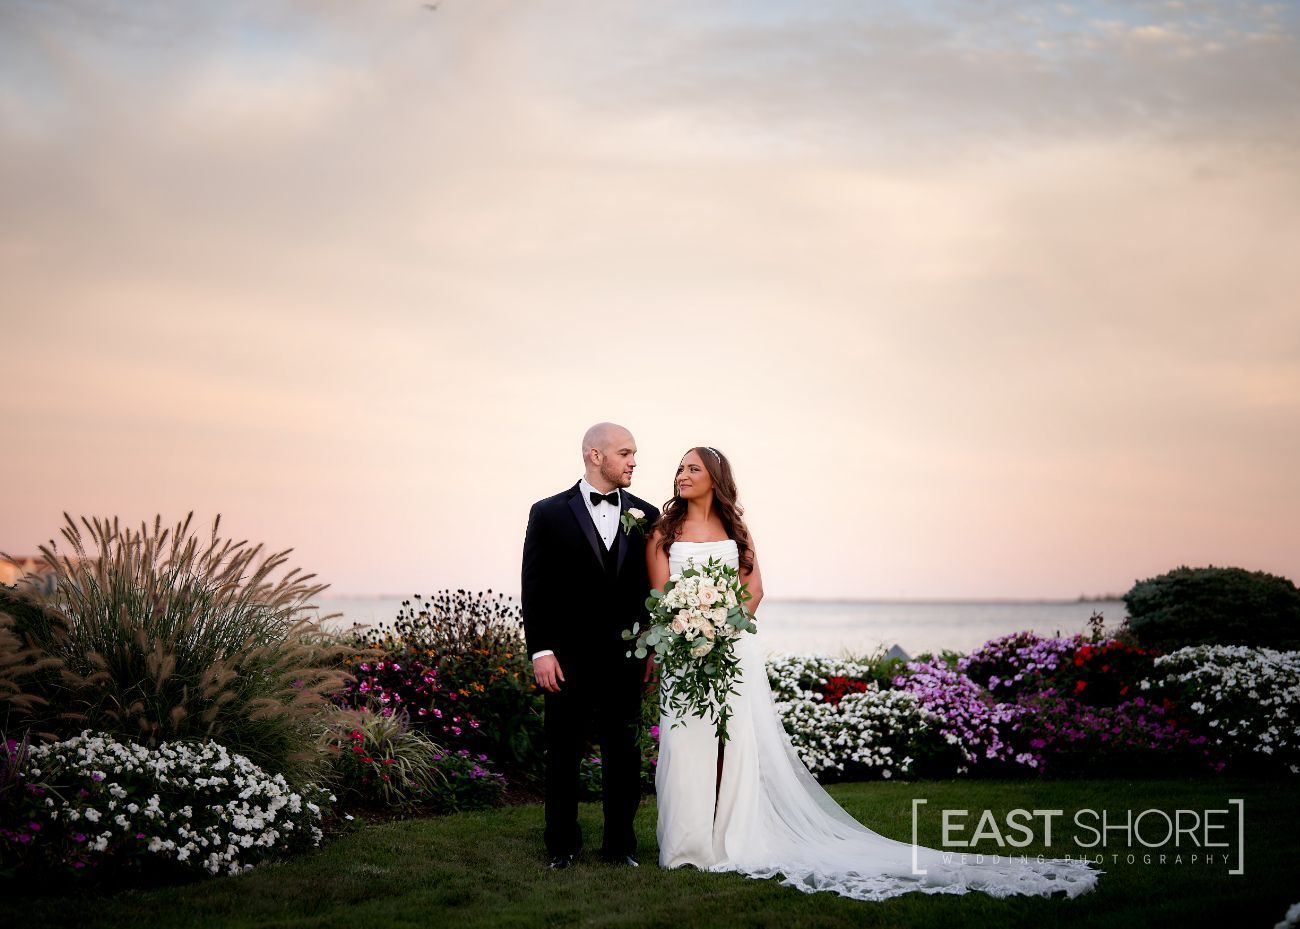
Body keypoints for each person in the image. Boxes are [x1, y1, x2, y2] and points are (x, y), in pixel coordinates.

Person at [648, 446, 1101, 901]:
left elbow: (755, 588)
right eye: (680, 468)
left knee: (734, 744)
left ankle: (728, 838)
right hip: (685, 650)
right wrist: (692, 627)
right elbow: (661, 593)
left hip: (732, 649)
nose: (682, 475)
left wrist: (725, 628)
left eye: (693, 468)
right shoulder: (663, 532)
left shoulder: (735, 531)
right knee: (688, 742)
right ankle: (687, 847)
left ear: (715, 478)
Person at [521, 422, 660, 870]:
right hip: (566, 659)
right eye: (625, 453)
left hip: (626, 660)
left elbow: (651, 590)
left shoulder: (647, 514)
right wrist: (540, 650)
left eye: (634, 453)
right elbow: (535, 586)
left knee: (624, 756)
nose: (633, 461)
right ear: (594, 456)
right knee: (563, 754)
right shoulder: (547, 513)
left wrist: (652, 645)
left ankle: (620, 847)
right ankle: (562, 846)